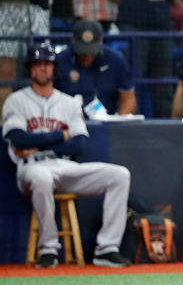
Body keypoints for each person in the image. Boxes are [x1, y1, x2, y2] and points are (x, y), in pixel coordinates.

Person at [2, 43, 132, 269]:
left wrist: (39, 141)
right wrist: (60, 135)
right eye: (37, 64)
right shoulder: (16, 100)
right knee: (41, 178)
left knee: (120, 175)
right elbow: (18, 139)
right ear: (30, 69)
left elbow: (78, 145)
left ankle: (107, 248)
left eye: (47, 64)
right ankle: (49, 248)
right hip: (31, 168)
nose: (42, 69)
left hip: (64, 166)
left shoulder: (69, 102)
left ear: (54, 69)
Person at [54, 19, 137, 117]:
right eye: (82, 52)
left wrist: (118, 125)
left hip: (105, 125)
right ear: (73, 42)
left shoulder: (116, 60)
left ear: (101, 42)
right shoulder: (60, 61)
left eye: (91, 52)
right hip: (67, 122)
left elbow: (128, 98)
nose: (87, 56)